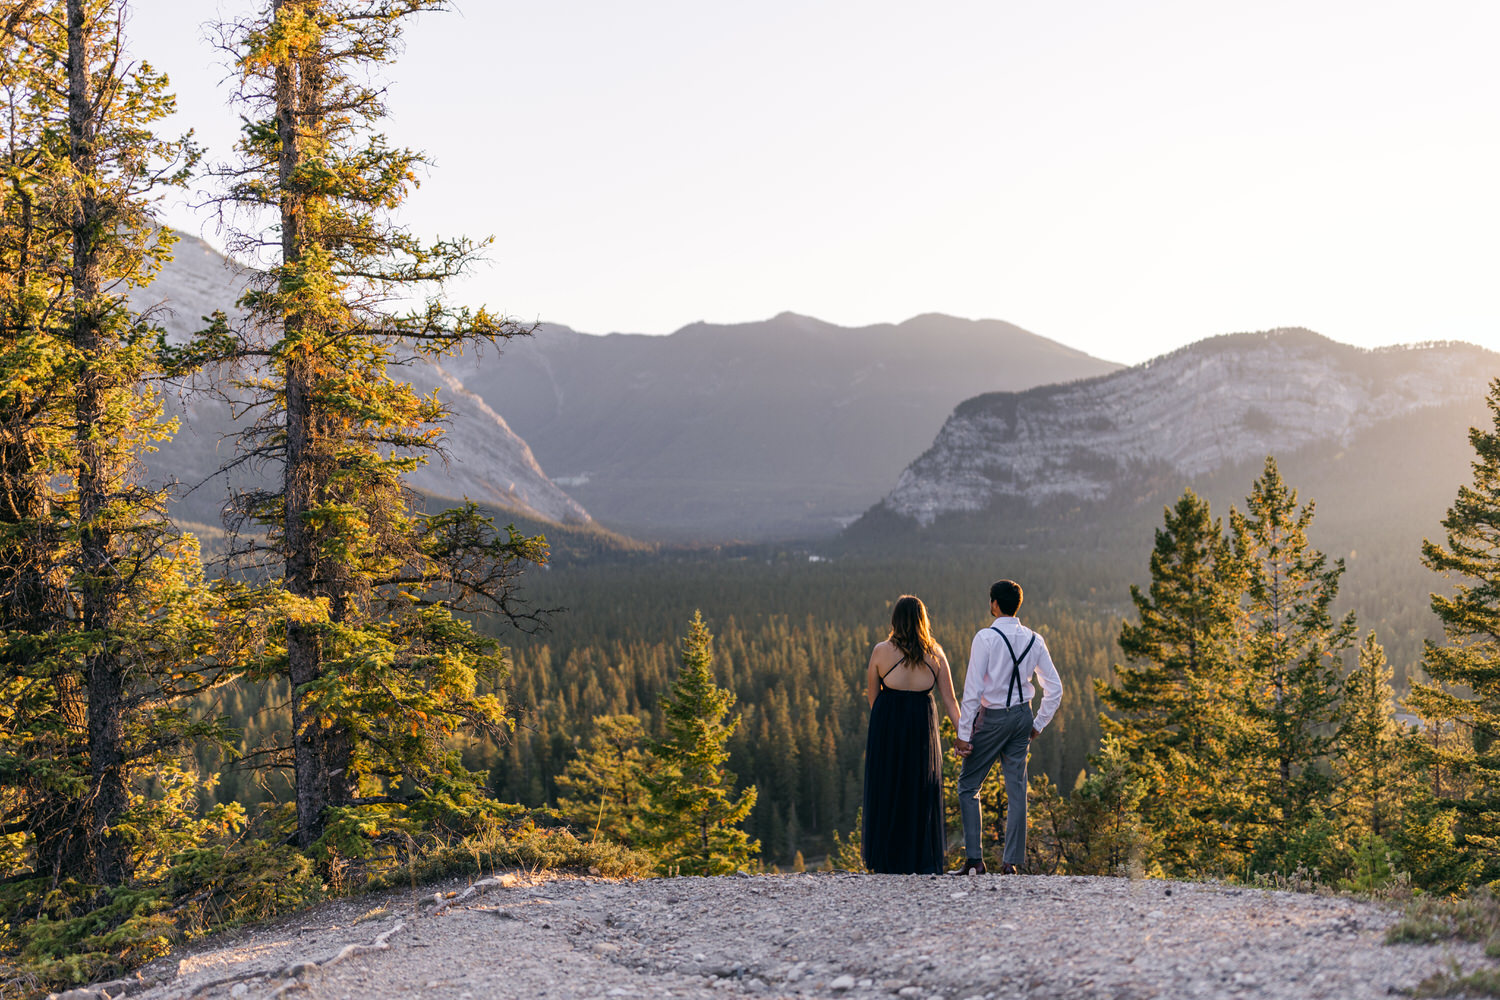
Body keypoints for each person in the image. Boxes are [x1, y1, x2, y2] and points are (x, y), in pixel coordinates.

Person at [951, 579, 1063, 875]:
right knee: (1017, 790)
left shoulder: (985, 638)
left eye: (991, 601)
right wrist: (1038, 722)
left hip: (993, 717)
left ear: (996, 604)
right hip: (1023, 717)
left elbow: (972, 691)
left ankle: (975, 860)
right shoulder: (1034, 640)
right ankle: (1011, 863)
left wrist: (964, 736)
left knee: (968, 786)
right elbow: (1055, 689)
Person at [861, 594, 963, 874]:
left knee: (887, 788)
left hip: (887, 725)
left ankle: (887, 859)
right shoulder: (936, 653)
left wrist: (885, 723)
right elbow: (951, 701)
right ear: (923, 621)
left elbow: (873, 697)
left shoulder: (881, 650)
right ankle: (920, 859)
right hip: (921, 726)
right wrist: (963, 735)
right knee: (920, 789)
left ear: (895, 619)